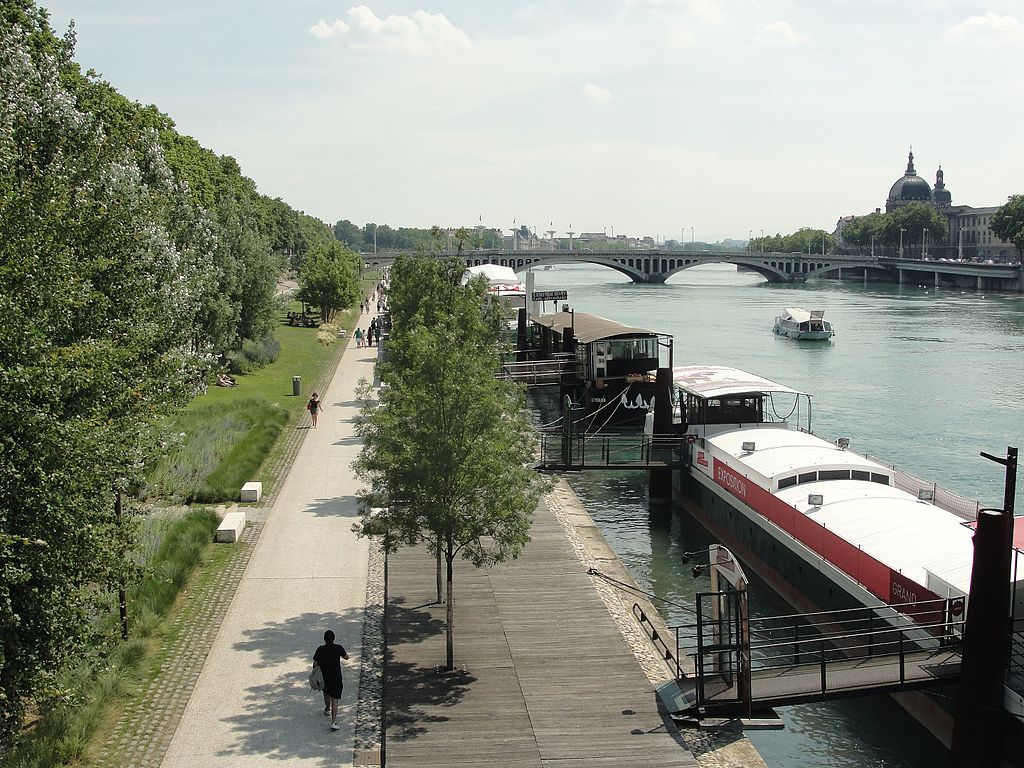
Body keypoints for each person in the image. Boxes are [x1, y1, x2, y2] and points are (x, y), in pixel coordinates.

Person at [312, 629, 349, 731]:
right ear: (334, 638)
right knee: (335, 699)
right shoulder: (338, 648)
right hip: (336, 677)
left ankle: (327, 709)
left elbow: (315, 664)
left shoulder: (320, 649)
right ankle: (333, 722)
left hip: (325, 677)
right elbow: (346, 657)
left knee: (326, 694)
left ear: (324, 639)